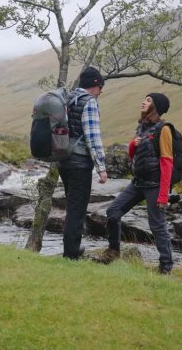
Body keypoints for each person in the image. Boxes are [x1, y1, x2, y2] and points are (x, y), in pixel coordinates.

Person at [101, 93, 174, 274]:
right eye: (144, 99)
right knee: (113, 212)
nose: (143, 102)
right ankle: (113, 251)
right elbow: (134, 157)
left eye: (148, 100)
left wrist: (164, 194)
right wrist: (133, 144)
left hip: (155, 185)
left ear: (156, 107)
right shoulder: (142, 127)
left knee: (157, 226)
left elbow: (167, 163)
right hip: (138, 183)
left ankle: (165, 267)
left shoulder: (164, 129)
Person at [58, 66, 108, 260]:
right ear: (94, 86)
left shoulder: (67, 99)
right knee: (77, 209)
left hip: (63, 160)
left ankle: (70, 249)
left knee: (72, 206)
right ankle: (71, 254)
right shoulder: (89, 103)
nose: (101, 91)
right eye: (101, 87)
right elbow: (93, 137)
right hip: (79, 163)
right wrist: (101, 168)